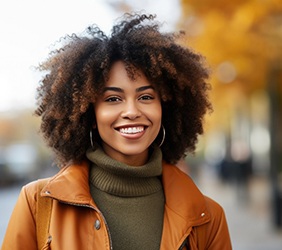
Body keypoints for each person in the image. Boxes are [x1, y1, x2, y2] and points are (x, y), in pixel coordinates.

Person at [1, 13, 232, 250]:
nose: (131, 111)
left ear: (166, 108)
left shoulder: (207, 218)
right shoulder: (38, 204)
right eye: (113, 98)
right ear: (90, 114)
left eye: (145, 97)